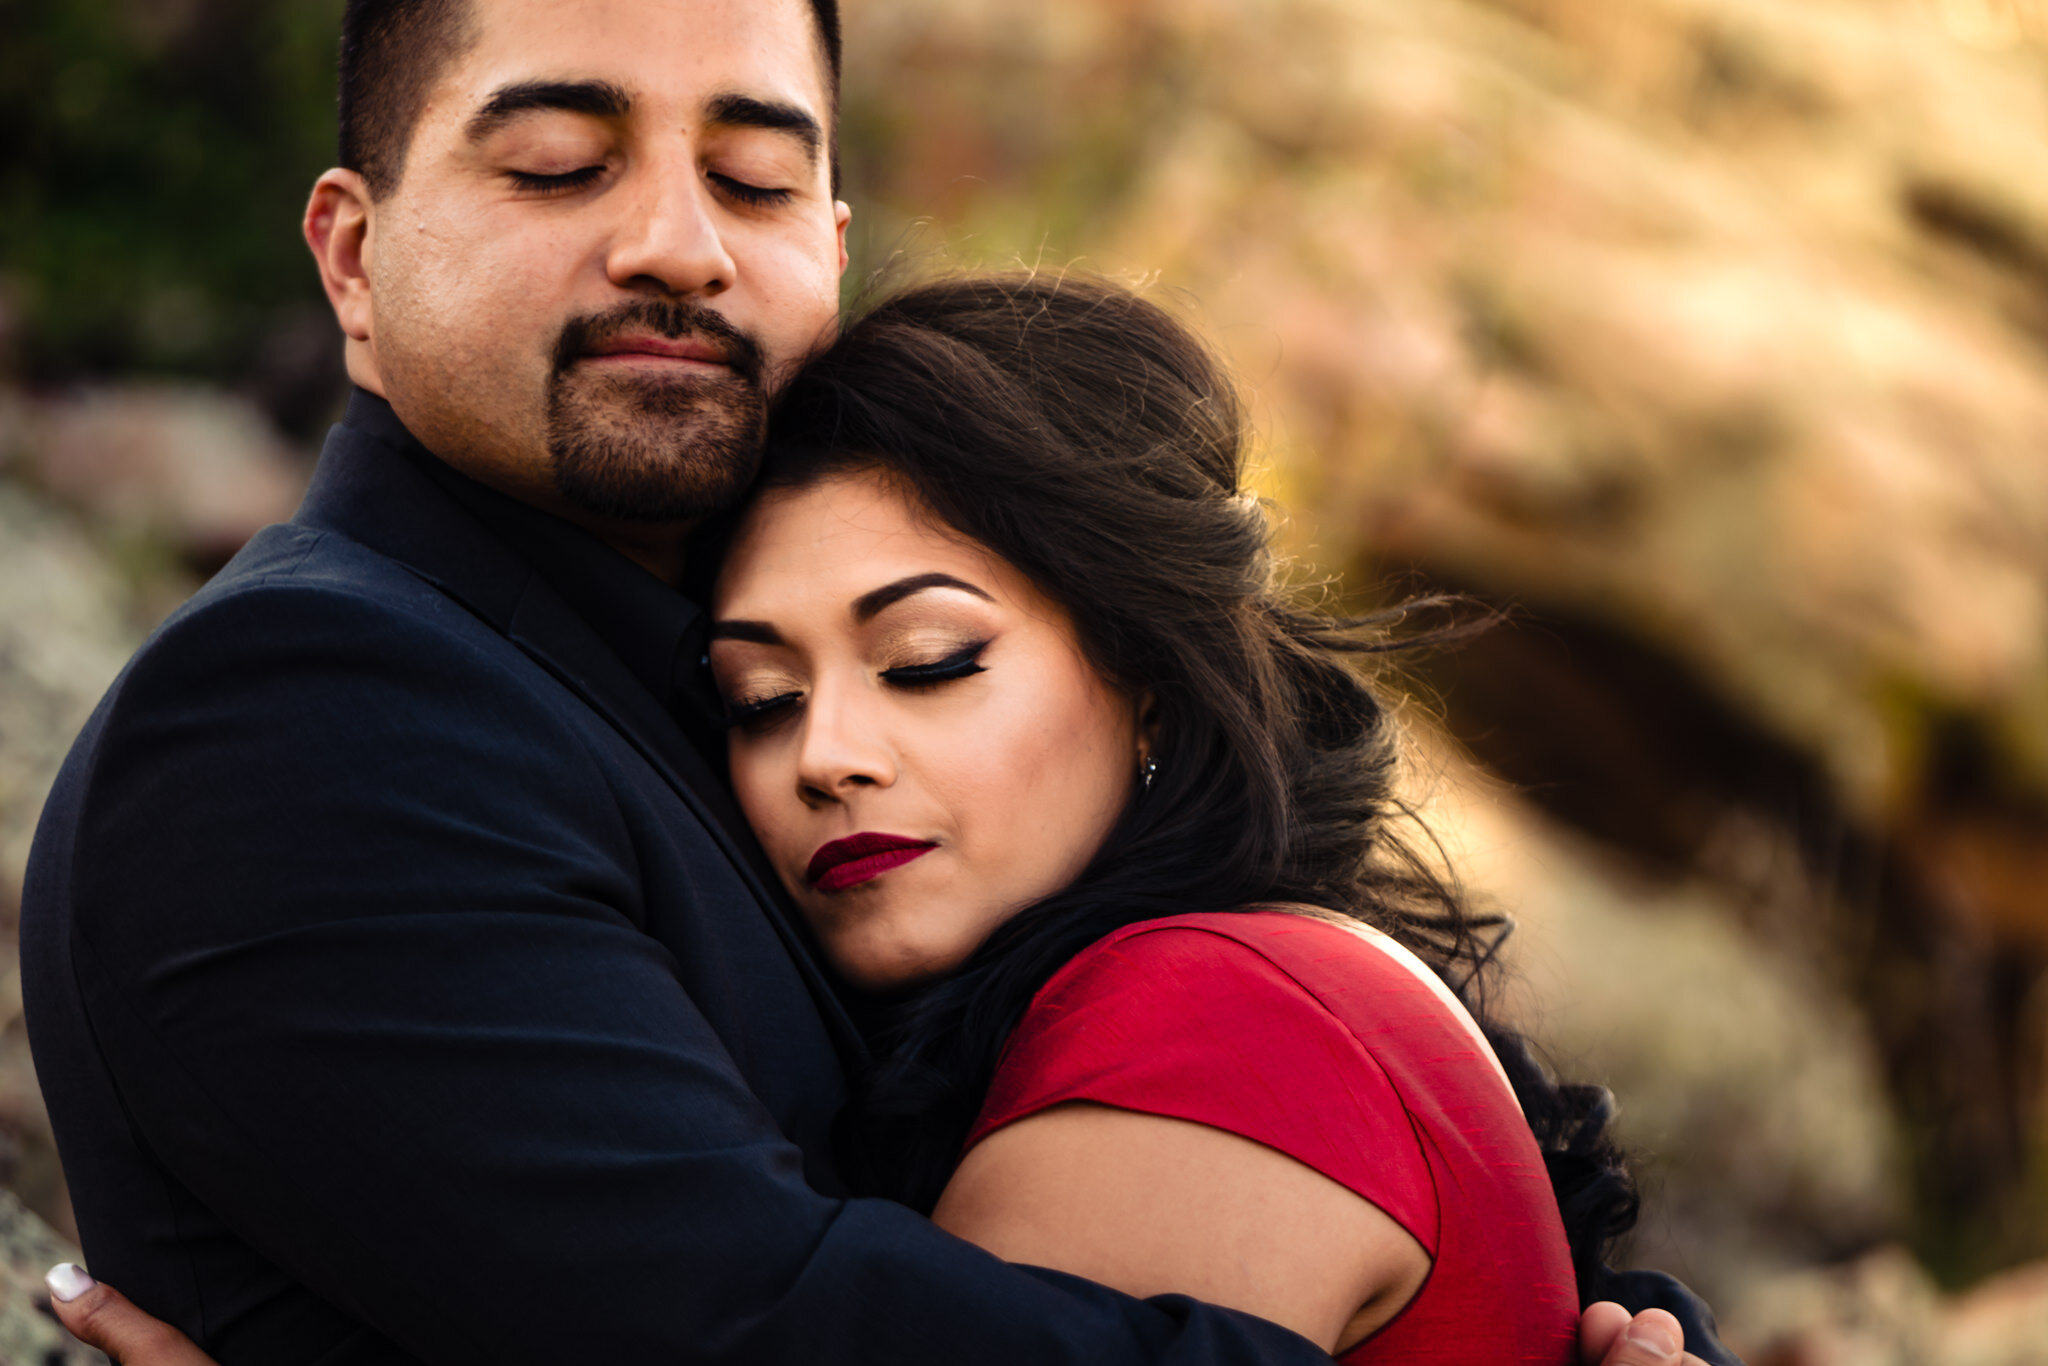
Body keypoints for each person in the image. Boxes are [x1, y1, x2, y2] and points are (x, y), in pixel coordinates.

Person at [22, 0, 1735, 1362]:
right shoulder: (305, 708)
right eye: (557, 164)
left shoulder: (710, 699)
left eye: (756, 181)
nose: (678, 245)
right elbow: (752, 1323)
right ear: (349, 256)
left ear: (832, 248)